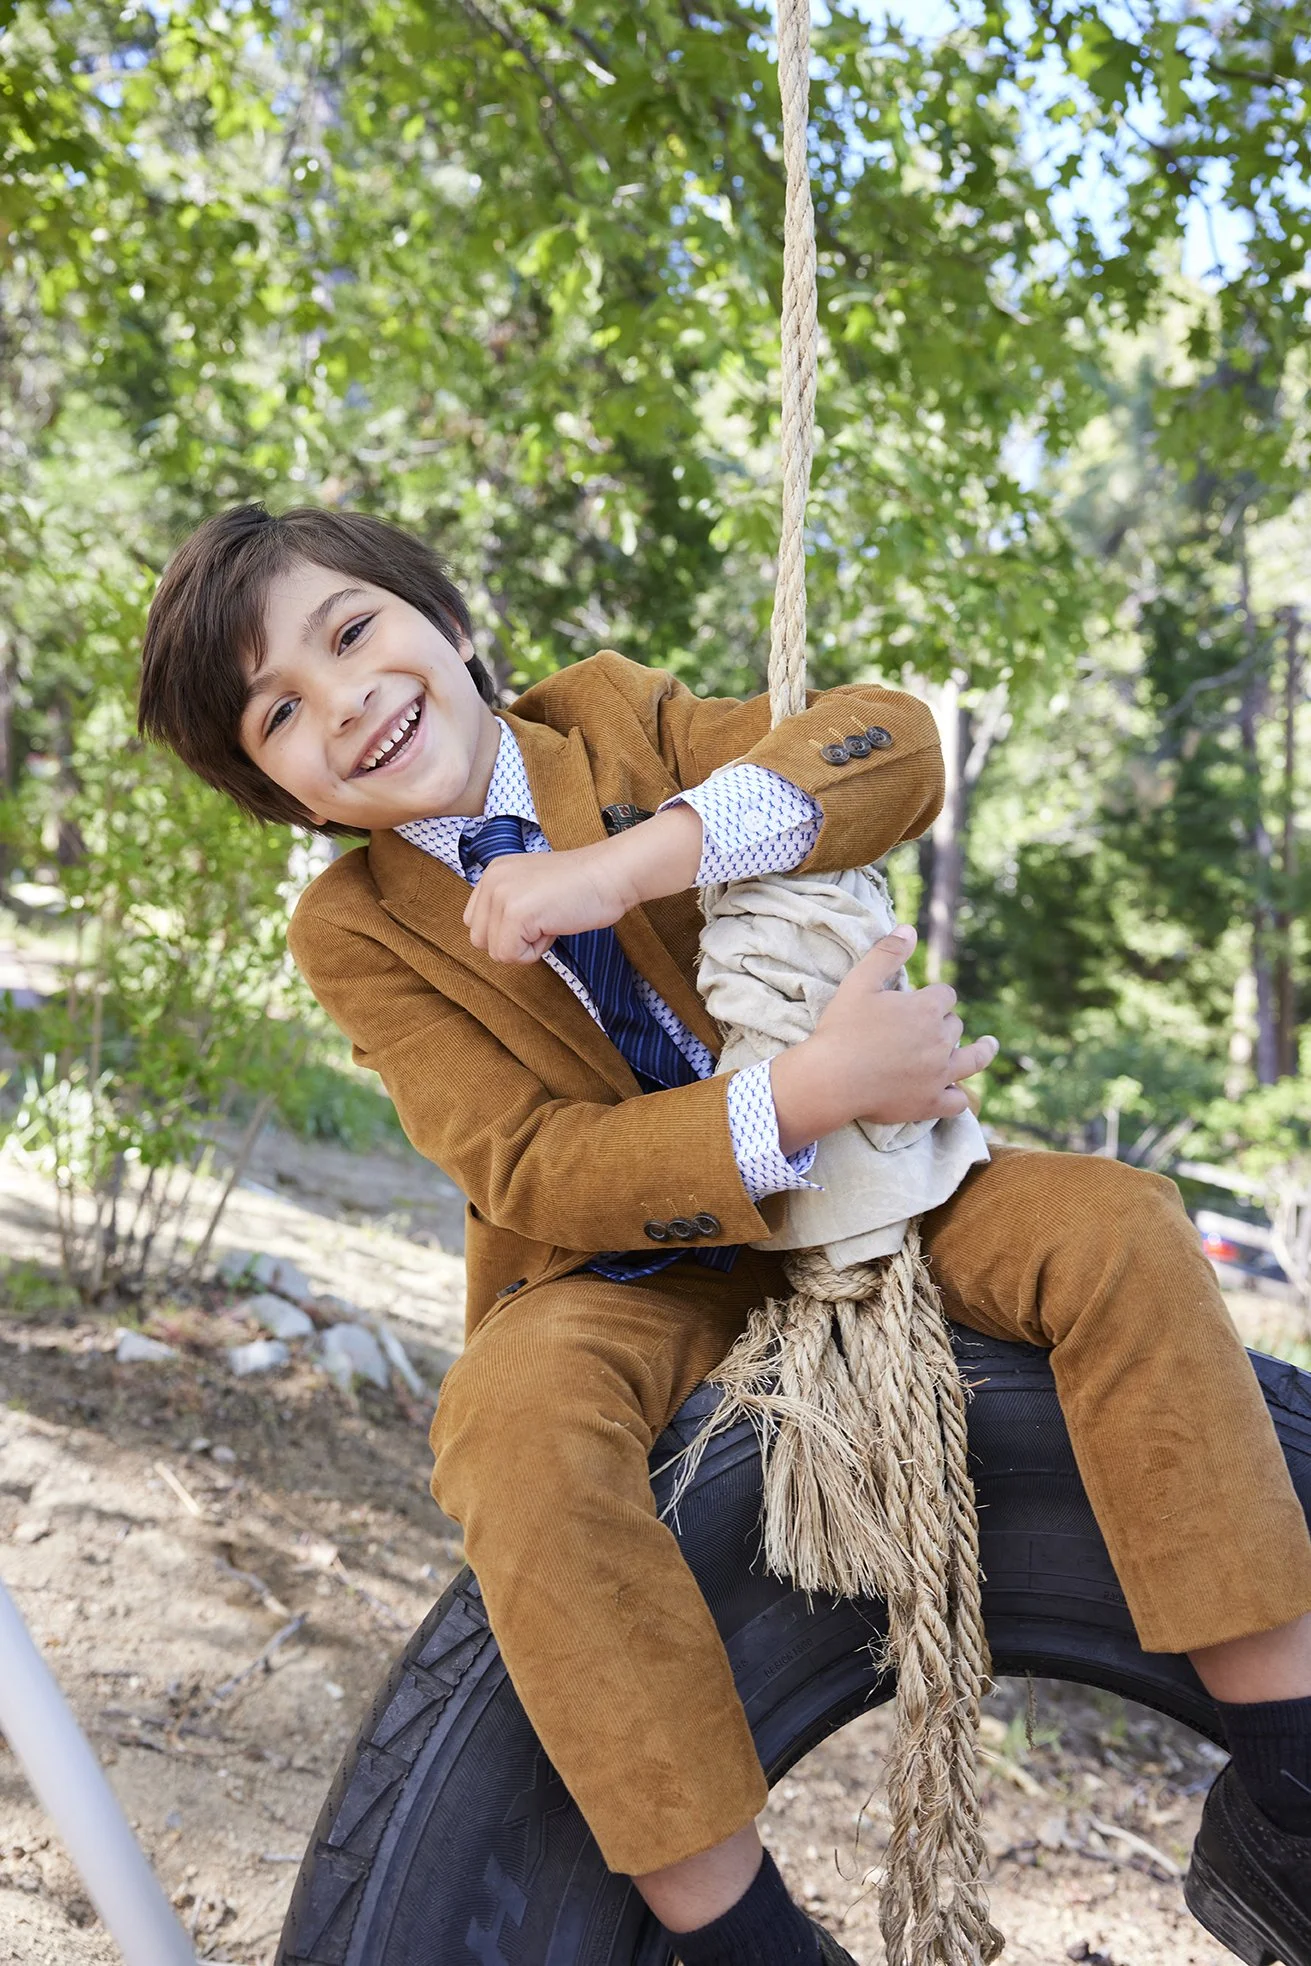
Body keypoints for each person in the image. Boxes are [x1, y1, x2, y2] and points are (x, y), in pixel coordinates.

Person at [139, 502, 1311, 1966]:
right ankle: (744, 1934)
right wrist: (800, 1093)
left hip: (884, 1190)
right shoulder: (357, 926)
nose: (345, 702)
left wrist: (634, 864)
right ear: (280, 789)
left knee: (1119, 1227)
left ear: (442, 619)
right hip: (627, 1265)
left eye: (352, 631)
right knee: (511, 1424)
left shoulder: (615, 720)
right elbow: (526, 1159)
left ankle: (1287, 1794)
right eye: (281, 713)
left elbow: (891, 744)